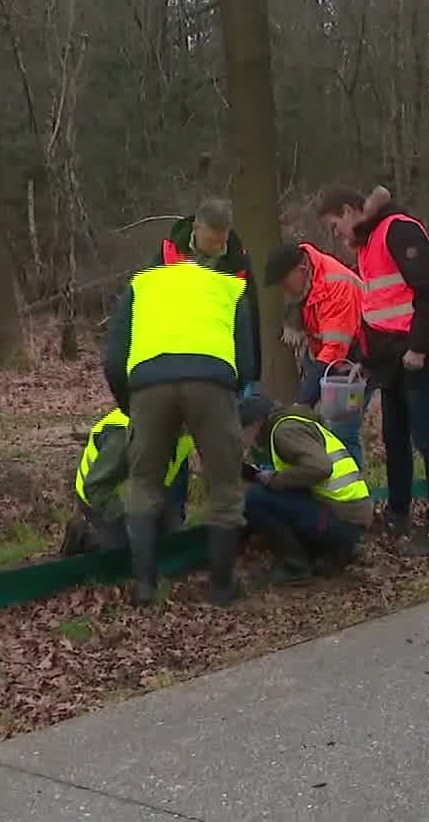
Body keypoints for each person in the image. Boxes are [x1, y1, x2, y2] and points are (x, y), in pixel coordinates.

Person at [102, 256, 259, 607]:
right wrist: (227, 398)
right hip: (213, 383)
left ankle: (144, 585)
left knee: (143, 483)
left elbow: (113, 359)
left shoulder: (140, 285)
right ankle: (221, 587)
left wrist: (130, 403)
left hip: (147, 385)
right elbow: (248, 365)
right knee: (224, 483)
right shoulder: (230, 288)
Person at [314, 185, 429, 556]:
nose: (337, 235)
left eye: (334, 226)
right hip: (392, 355)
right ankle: (398, 512)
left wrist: (419, 347)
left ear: (349, 211)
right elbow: (379, 309)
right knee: (395, 437)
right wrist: (366, 360)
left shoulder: (397, 230)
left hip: (418, 351)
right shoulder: (370, 243)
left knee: (426, 436)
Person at [238, 395, 373, 586]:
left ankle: (295, 568)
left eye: (242, 431)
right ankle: (331, 552)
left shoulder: (284, 432)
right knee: (268, 494)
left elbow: (320, 468)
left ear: (255, 425)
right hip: (349, 515)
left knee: (256, 498)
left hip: (343, 518)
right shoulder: (293, 424)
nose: (244, 440)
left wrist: (274, 480)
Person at [260, 240, 368, 463]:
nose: (283, 290)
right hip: (325, 359)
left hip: (355, 363)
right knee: (321, 427)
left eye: (284, 282)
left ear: (300, 271)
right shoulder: (306, 281)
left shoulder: (336, 285)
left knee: (342, 430)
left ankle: (352, 491)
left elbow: (335, 351)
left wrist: (303, 400)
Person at [151, 197, 263, 397]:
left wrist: (252, 372)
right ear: (196, 228)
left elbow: (250, 317)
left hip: (219, 360)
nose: (216, 248)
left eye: (222, 242)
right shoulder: (167, 255)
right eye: (211, 241)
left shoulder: (238, 265)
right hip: (172, 356)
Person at [59, 409, 195, 557]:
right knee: (124, 552)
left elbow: (177, 473)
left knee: (171, 543)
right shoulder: (124, 437)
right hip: (100, 498)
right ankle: (85, 532)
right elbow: (95, 489)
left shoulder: (185, 431)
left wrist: (175, 516)